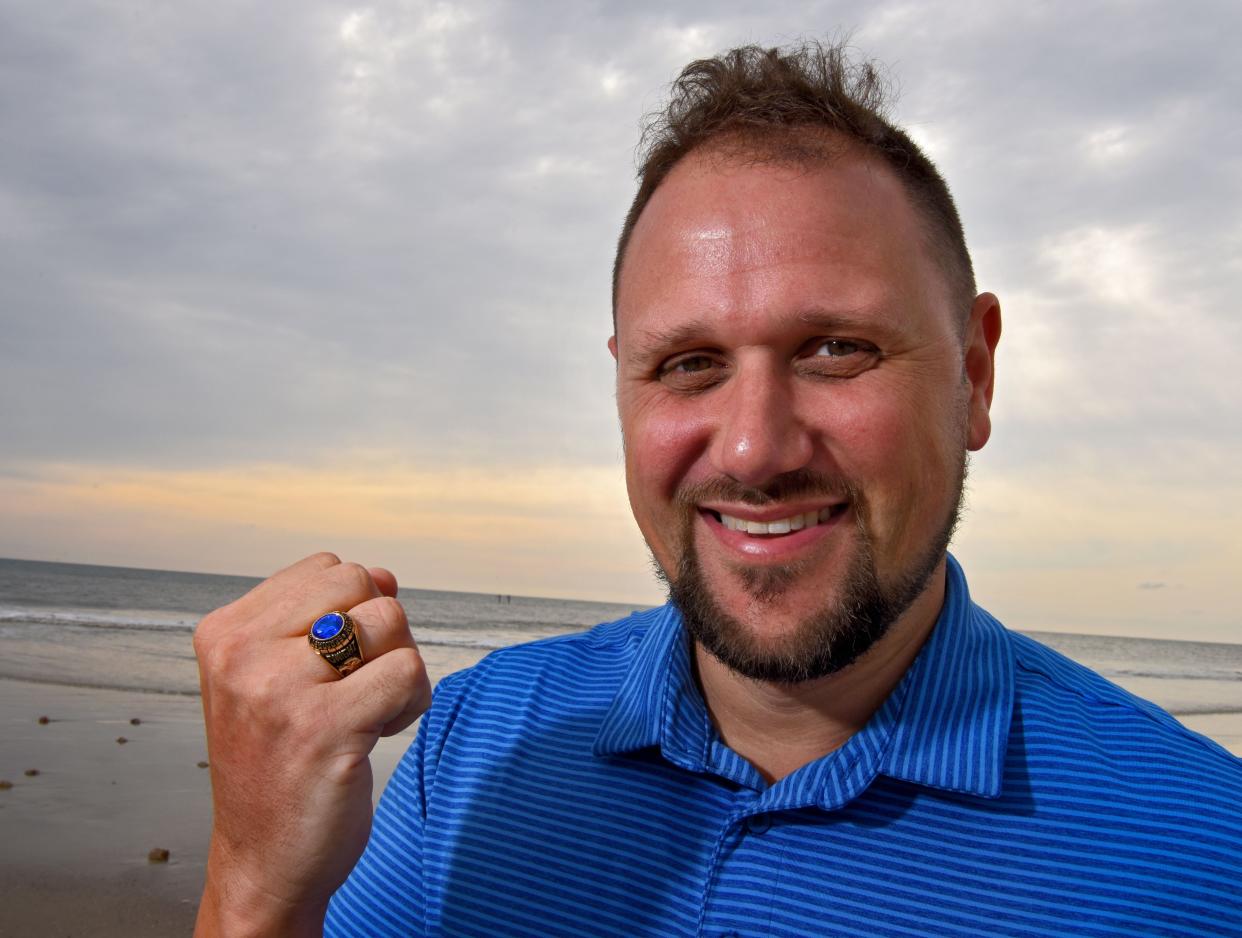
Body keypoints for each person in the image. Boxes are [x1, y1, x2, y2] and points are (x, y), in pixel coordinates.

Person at [193, 41, 1241, 937]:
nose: (751, 448)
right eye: (688, 362)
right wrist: (252, 881)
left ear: (974, 374)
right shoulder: (474, 742)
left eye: (836, 347)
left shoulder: (1204, 856)